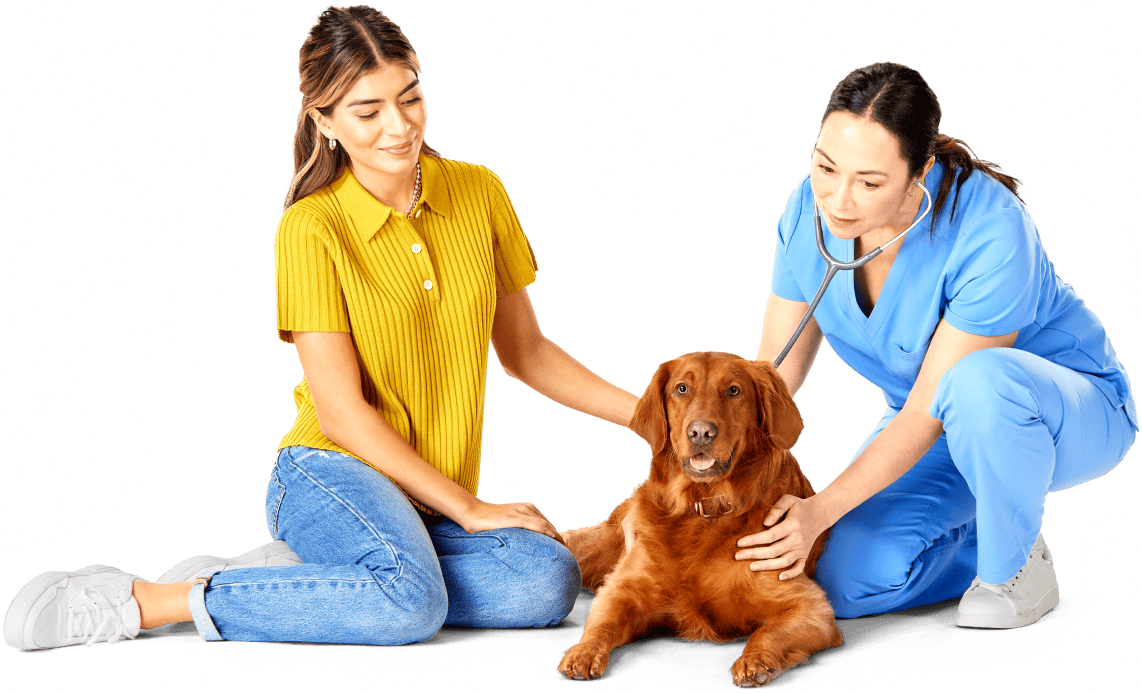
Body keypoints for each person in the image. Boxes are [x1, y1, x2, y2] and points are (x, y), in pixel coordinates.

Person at [3, 4, 639, 651]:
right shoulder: (312, 227)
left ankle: (307, 581)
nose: (399, 126)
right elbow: (339, 414)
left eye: (409, 96)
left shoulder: (479, 193)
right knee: (409, 608)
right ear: (325, 121)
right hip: (328, 472)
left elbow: (527, 352)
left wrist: (649, 417)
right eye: (367, 112)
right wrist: (472, 510)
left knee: (547, 582)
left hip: (427, 499)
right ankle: (149, 600)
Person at [737, 60, 1137, 627]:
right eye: (826, 167)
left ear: (919, 172)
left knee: (979, 384)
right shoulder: (808, 210)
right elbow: (774, 372)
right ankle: (990, 528)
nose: (838, 200)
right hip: (936, 426)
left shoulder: (991, 230)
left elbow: (935, 406)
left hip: (1062, 413)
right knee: (845, 583)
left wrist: (820, 509)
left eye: (869, 182)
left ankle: (1018, 566)